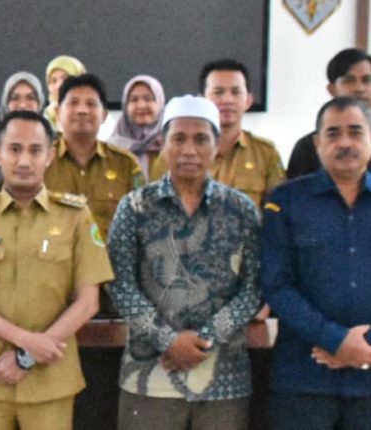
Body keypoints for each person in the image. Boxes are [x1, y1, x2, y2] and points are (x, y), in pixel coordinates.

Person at [0, 110, 114, 430]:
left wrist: (26, 356)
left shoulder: (75, 216)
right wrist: (26, 343)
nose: (24, 161)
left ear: (49, 156)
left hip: (51, 380)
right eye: (15, 149)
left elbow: (88, 302)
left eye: (35, 151)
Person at [108, 95, 260, 430]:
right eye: (179, 138)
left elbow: (253, 288)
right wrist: (168, 340)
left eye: (200, 139)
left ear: (216, 146)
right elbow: (119, 284)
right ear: (162, 144)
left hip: (223, 377)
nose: (189, 149)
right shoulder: (135, 207)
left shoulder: (241, 210)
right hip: (150, 375)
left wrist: (204, 338)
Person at [261, 97, 371, 429]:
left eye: (355, 132)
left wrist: (365, 347)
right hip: (303, 380)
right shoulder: (286, 201)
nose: (345, 142)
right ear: (317, 143)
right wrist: (337, 340)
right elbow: (276, 285)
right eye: (333, 133)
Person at [151, 59, 285, 208]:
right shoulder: (173, 153)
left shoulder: (266, 154)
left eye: (236, 92)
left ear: (248, 100)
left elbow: (277, 208)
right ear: (202, 99)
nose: (227, 100)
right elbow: (153, 205)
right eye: (218, 92)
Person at [44, 73, 144, 240]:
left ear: (104, 114)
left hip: (109, 256)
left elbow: (144, 221)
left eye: (91, 104)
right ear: (58, 112)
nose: (82, 110)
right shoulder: (40, 162)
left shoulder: (125, 164)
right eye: (73, 103)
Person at [287, 48, 371, 179]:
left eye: (367, 80)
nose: (359, 88)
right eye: (349, 81)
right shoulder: (308, 147)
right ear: (332, 89)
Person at [0, 71, 45, 192]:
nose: (23, 105)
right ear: (5, 102)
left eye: (30, 98)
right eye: (15, 98)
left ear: (40, 102)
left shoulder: (53, 141)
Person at [107, 75, 166, 178]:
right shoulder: (110, 150)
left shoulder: (171, 147)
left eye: (148, 99)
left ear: (160, 103)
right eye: (134, 100)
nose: (141, 105)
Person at [43, 55, 86, 130]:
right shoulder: (47, 118)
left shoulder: (95, 113)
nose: (59, 85)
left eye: (65, 78)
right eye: (53, 81)